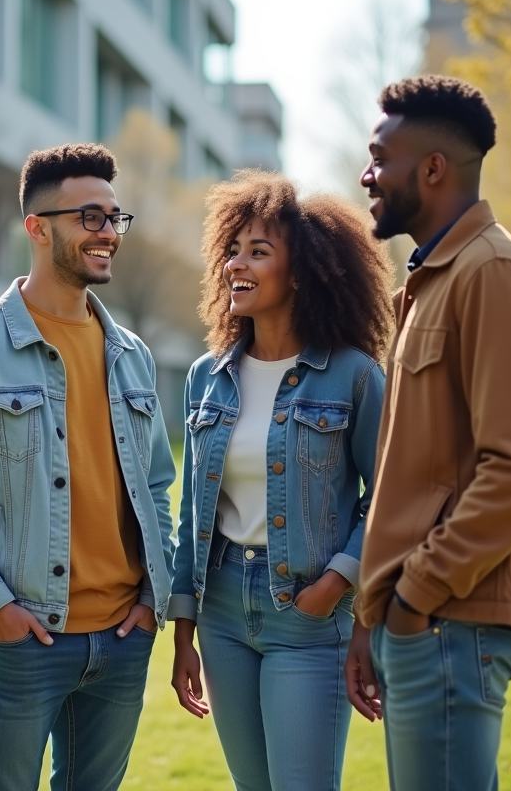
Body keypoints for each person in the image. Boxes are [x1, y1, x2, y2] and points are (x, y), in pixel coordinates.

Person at [0, 143, 176, 791]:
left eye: (116, 218)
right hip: (24, 637)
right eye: (91, 217)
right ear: (37, 227)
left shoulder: (132, 354)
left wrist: (153, 596)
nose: (109, 233)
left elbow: (157, 484)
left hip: (123, 636)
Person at [351, 75, 511, 791]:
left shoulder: (496, 274)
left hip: (454, 614)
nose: (367, 175)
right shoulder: (433, 281)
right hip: (428, 616)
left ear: (433, 169)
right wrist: (377, 612)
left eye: (378, 157)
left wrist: (418, 594)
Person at [169, 169, 395, 791]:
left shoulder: (353, 377)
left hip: (307, 615)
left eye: (258, 252)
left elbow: (391, 497)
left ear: (301, 273)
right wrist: (184, 630)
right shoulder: (204, 378)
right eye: (232, 251)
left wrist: (338, 580)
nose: (236, 265)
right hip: (220, 612)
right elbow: (193, 510)